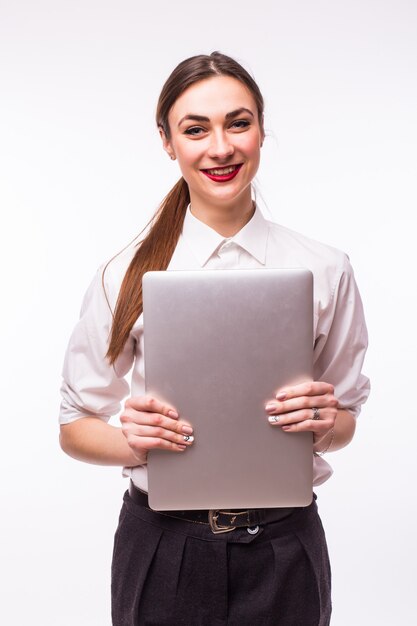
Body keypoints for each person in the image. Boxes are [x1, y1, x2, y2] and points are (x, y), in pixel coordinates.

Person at [59, 51, 370, 626]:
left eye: (239, 122)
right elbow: (75, 425)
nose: (221, 147)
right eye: (195, 129)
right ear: (167, 141)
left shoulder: (326, 268)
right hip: (162, 547)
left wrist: (327, 423)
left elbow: (345, 419)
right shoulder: (124, 274)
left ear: (260, 131)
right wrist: (136, 442)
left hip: (284, 547)